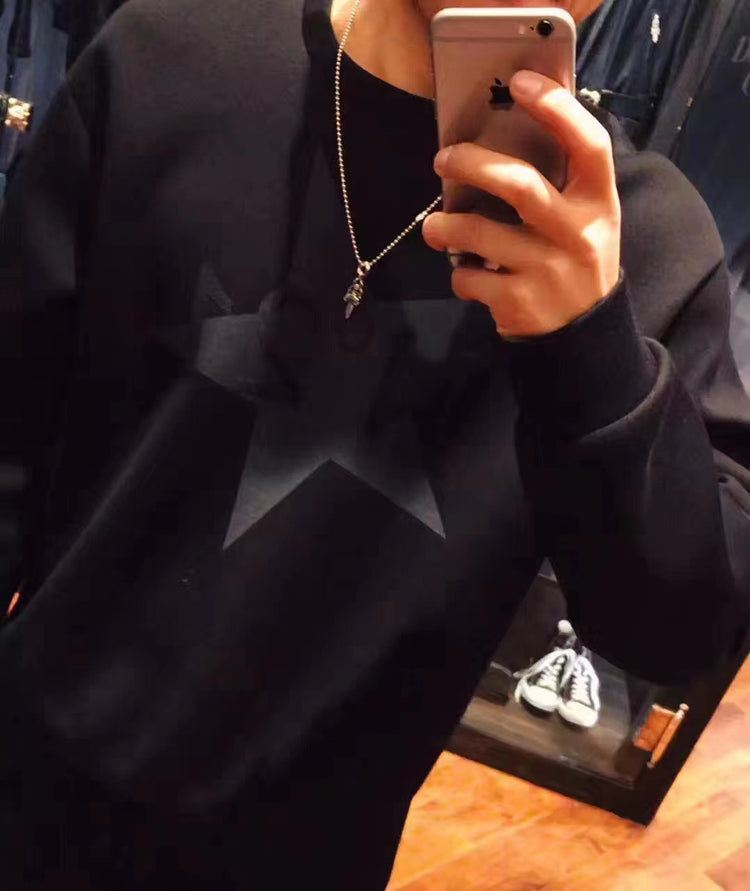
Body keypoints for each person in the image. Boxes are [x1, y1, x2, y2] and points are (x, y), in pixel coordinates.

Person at [0, 0, 748, 887]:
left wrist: (592, 350)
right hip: (25, 802)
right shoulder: (169, 55)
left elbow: (677, 631)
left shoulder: (645, 246)